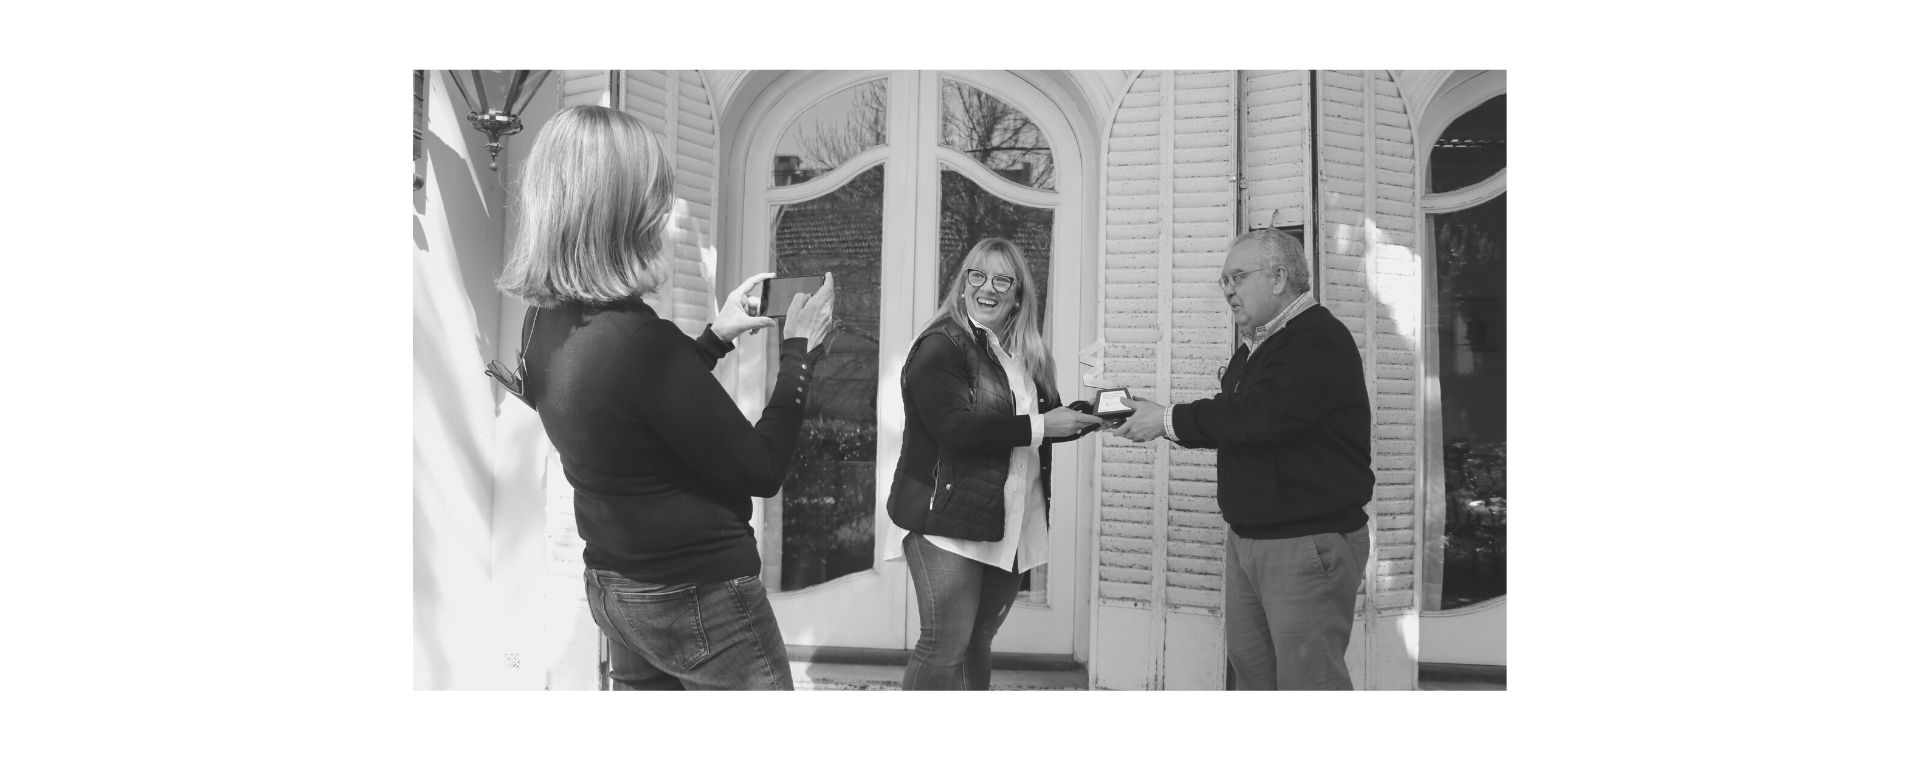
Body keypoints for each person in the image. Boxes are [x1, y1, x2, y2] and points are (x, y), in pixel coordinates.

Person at [496, 105, 836, 690]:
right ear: (624, 211)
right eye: (656, 194)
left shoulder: (543, 322)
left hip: (616, 591)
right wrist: (800, 354)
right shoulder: (640, 343)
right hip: (696, 601)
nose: (665, 210)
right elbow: (762, 469)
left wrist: (715, 338)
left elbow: (633, 410)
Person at [1112, 228, 1375, 690]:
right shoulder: (1257, 346)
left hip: (1304, 543)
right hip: (1251, 539)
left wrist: (1167, 419)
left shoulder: (1318, 339)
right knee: (1254, 674)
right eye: (1224, 281)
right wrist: (1159, 418)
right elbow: (1235, 422)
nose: (1228, 290)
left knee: (1309, 685)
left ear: (1279, 277)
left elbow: (1261, 416)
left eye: (1237, 277)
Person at [884, 238, 1105, 690]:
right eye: (978, 276)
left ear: (1018, 295)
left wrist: (1097, 414)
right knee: (944, 645)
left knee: (977, 643)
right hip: (946, 523)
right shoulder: (940, 346)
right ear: (963, 284)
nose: (988, 288)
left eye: (1003, 280)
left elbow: (1046, 422)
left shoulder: (1027, 355)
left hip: (1009, 522)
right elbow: (957, 429)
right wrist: (1042, 424)